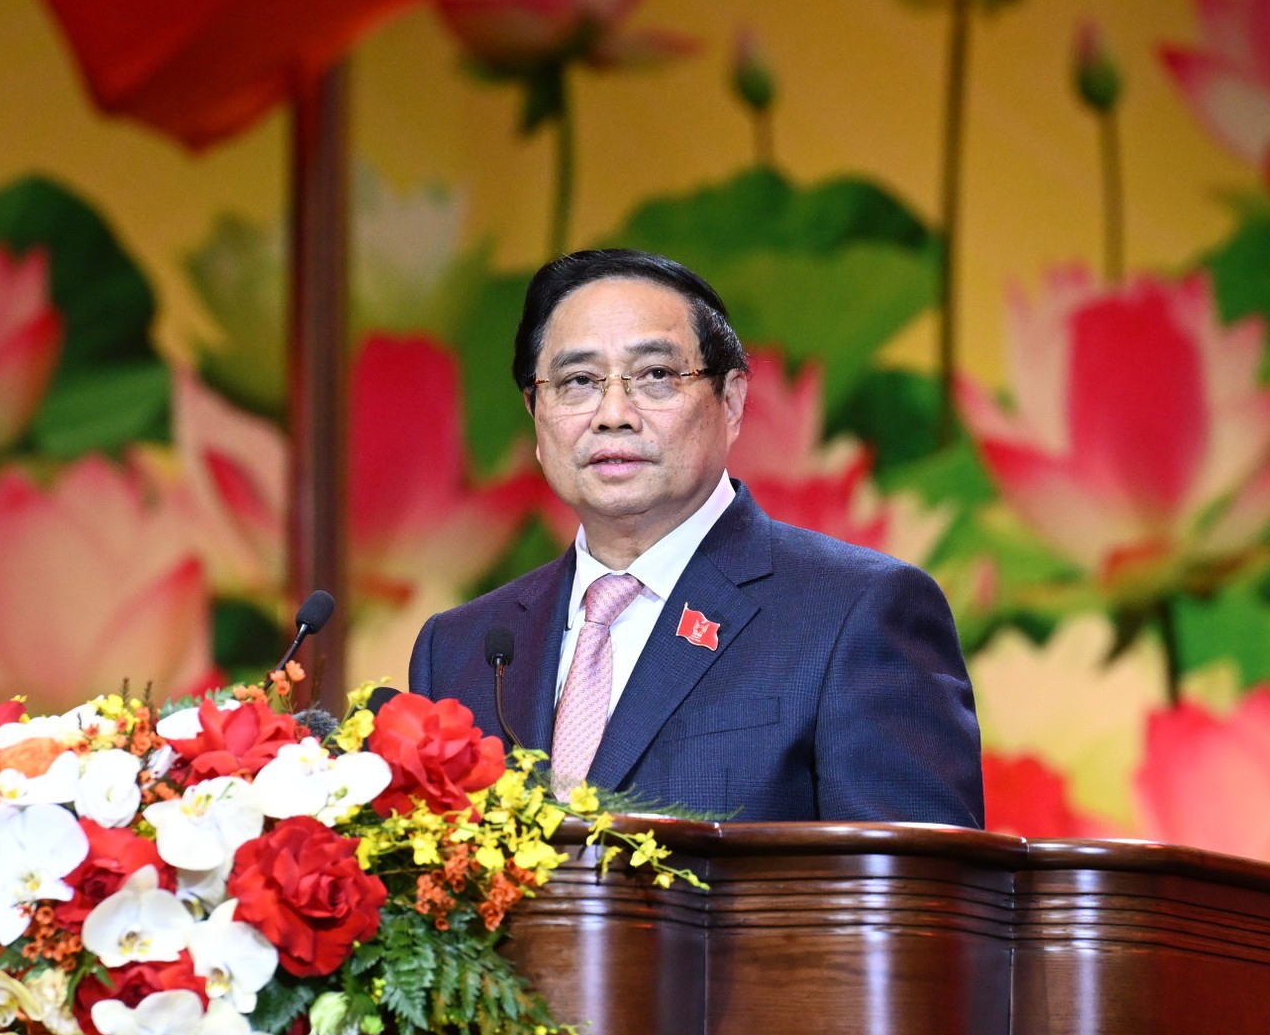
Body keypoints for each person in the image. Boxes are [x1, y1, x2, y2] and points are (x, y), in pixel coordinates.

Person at [407, 247, 983, 824]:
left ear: (731, 402)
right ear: (535, 412)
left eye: (655, 376)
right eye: (578, 381)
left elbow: (919, 878)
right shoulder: (458, 649)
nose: (613, 414)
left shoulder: (856, 611)